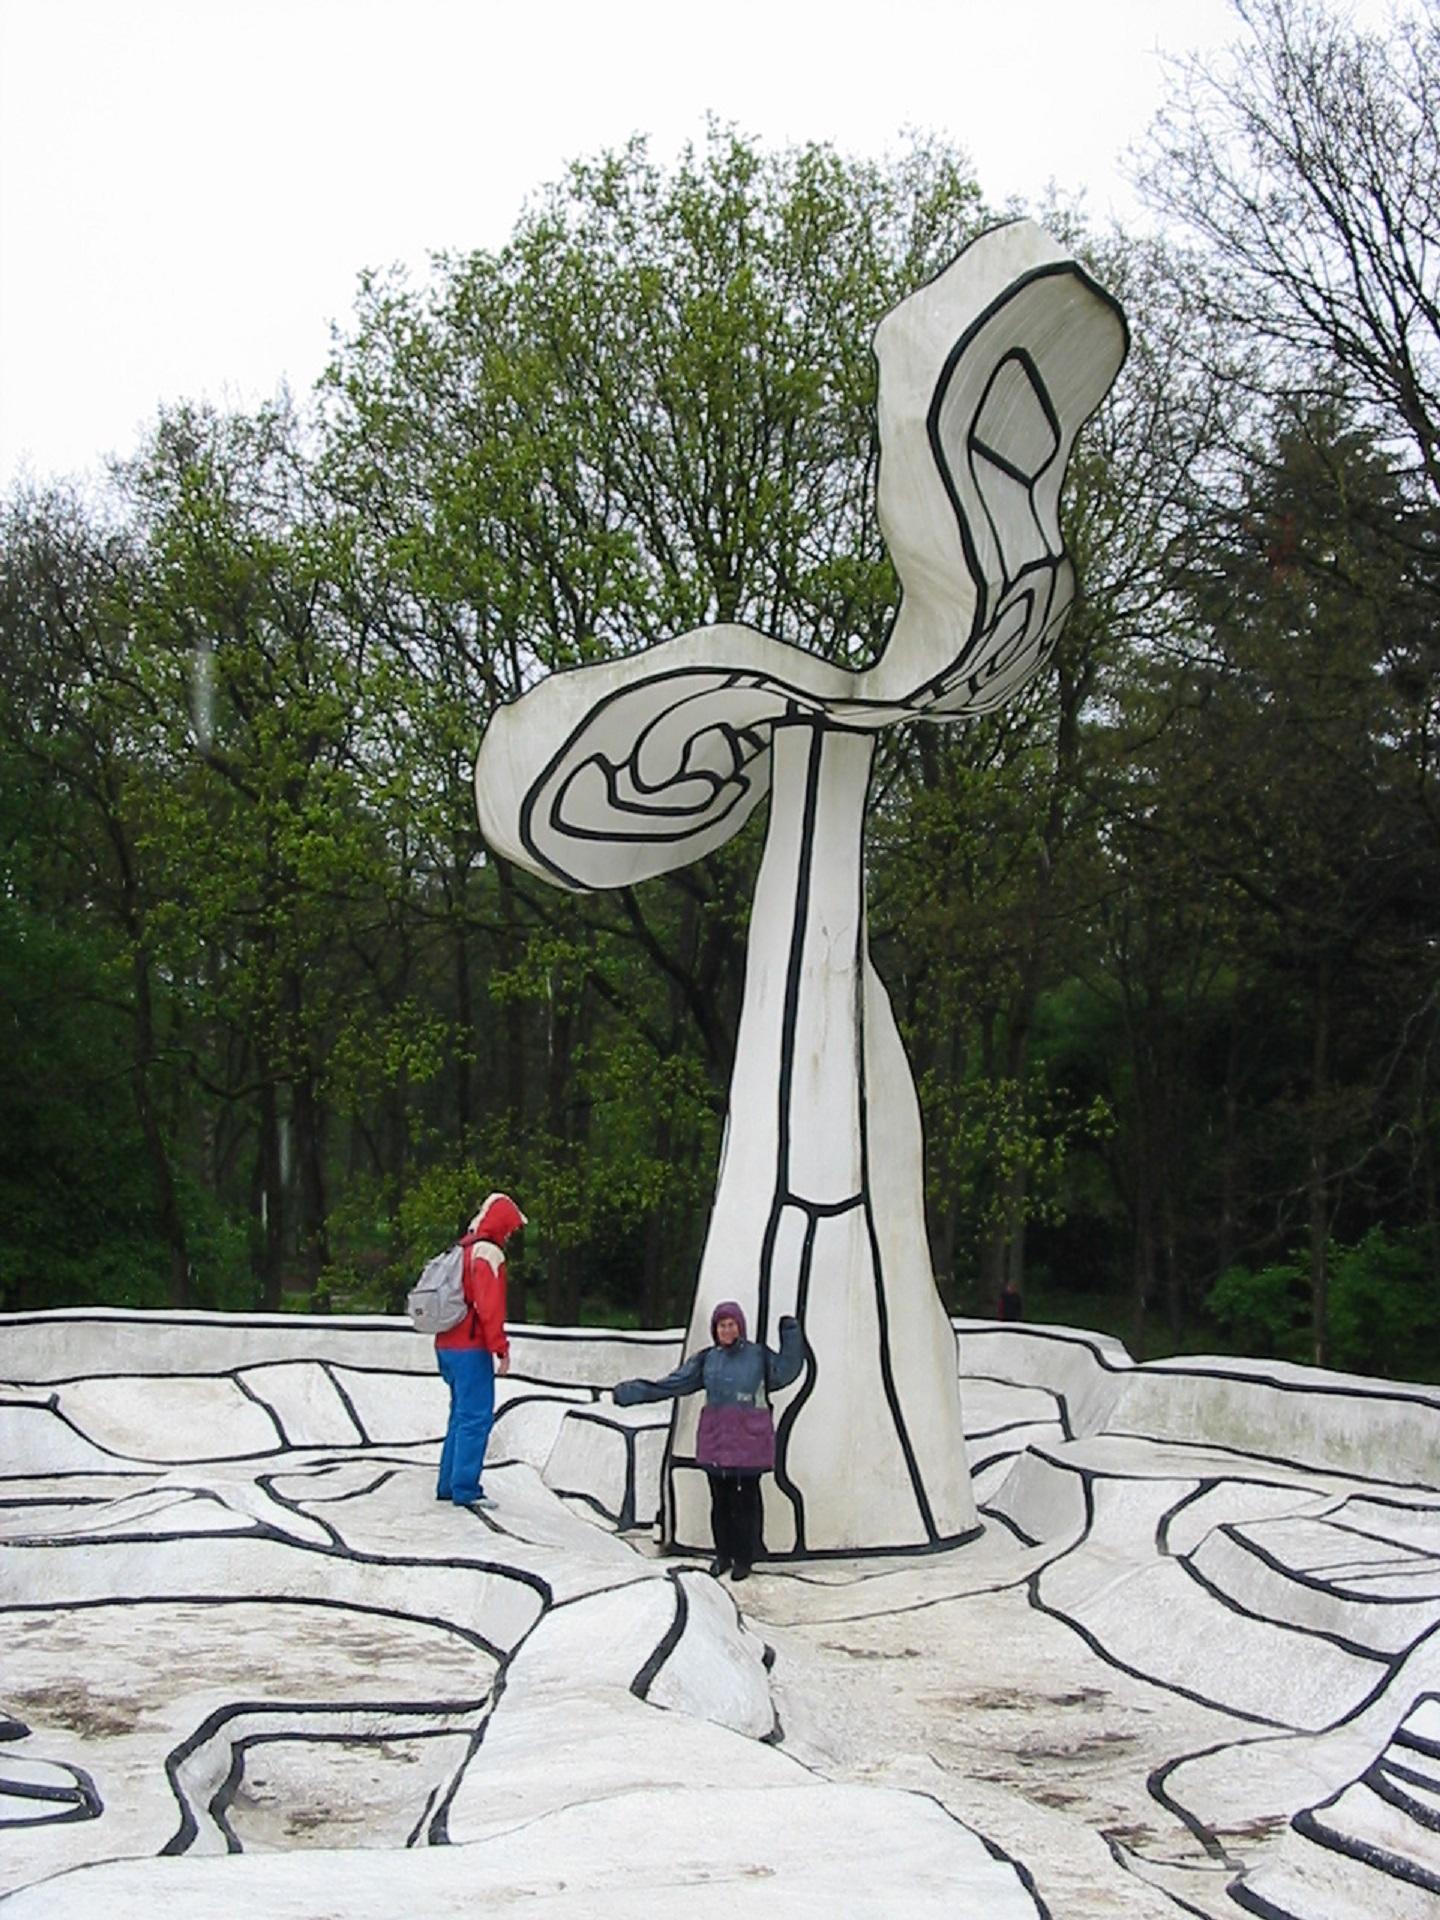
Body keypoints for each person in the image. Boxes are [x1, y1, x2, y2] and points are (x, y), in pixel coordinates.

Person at [613, 1301, 803, 1581]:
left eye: (731, 1324)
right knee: (720, 1502)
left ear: (740, 1326)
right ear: (715, 1329)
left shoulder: (758, 1356)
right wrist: (632, 1393)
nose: (727, 1330)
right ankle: (722, 1555)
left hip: (750, 1442)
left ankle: (745, 1558)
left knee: (747, 1503)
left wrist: (791, 1335)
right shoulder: (707, 1360)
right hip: (718, 1442)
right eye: (721, 1325)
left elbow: (786, 1371)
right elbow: (672, 1384)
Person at [435, 1191, 525, 1511]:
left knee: (459, 1416)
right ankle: (466, 1488)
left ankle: (447, 1483)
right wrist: (500, 1348)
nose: (512, 1234)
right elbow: (490, 1307)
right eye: (511, 1227)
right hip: (470, 1347)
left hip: (446, 1344)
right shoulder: (488, 1253)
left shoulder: (462, 1247)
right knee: (475, 1418)